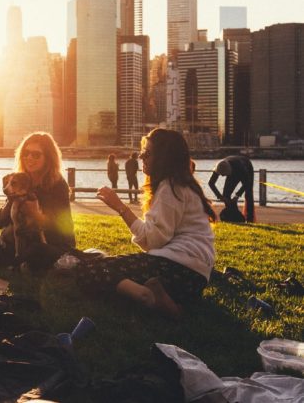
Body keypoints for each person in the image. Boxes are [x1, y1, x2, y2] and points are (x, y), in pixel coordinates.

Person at [80, 128, 216, 319]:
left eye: (147, 153)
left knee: (91, 270)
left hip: (175, 268)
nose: (142, 157)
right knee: (108, 271)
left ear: (163, 157)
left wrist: (120, 207)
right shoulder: (182, 185)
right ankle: (159, 296)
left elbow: (152, 241)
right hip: (194, 279)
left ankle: (148, 297)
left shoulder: (170, 187)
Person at [0, 132, 76, 271]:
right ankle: (15, 261)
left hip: (50, 243)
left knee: (37, 250)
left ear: (48, 158)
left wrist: (36, 215)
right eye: (26, 153)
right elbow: (0, 223)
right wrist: (11, 201)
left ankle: (8, 261)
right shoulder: (18, 180)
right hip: (19, 243)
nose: (29, 158)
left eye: (36, 155)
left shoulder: (58, 185)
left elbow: (63, 228)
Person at [208, 156, 255, 223]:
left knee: (248, 193)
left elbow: (247, 183)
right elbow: (211, 183)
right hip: (232, 168)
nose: (222, 176)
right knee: (226, 195)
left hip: (246, 167)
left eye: (224, 175)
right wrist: (220, 196)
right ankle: (233, 216)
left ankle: (250, 219)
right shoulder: (219, 167)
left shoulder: (240, 168)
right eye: (221, 174)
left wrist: (237, 195)